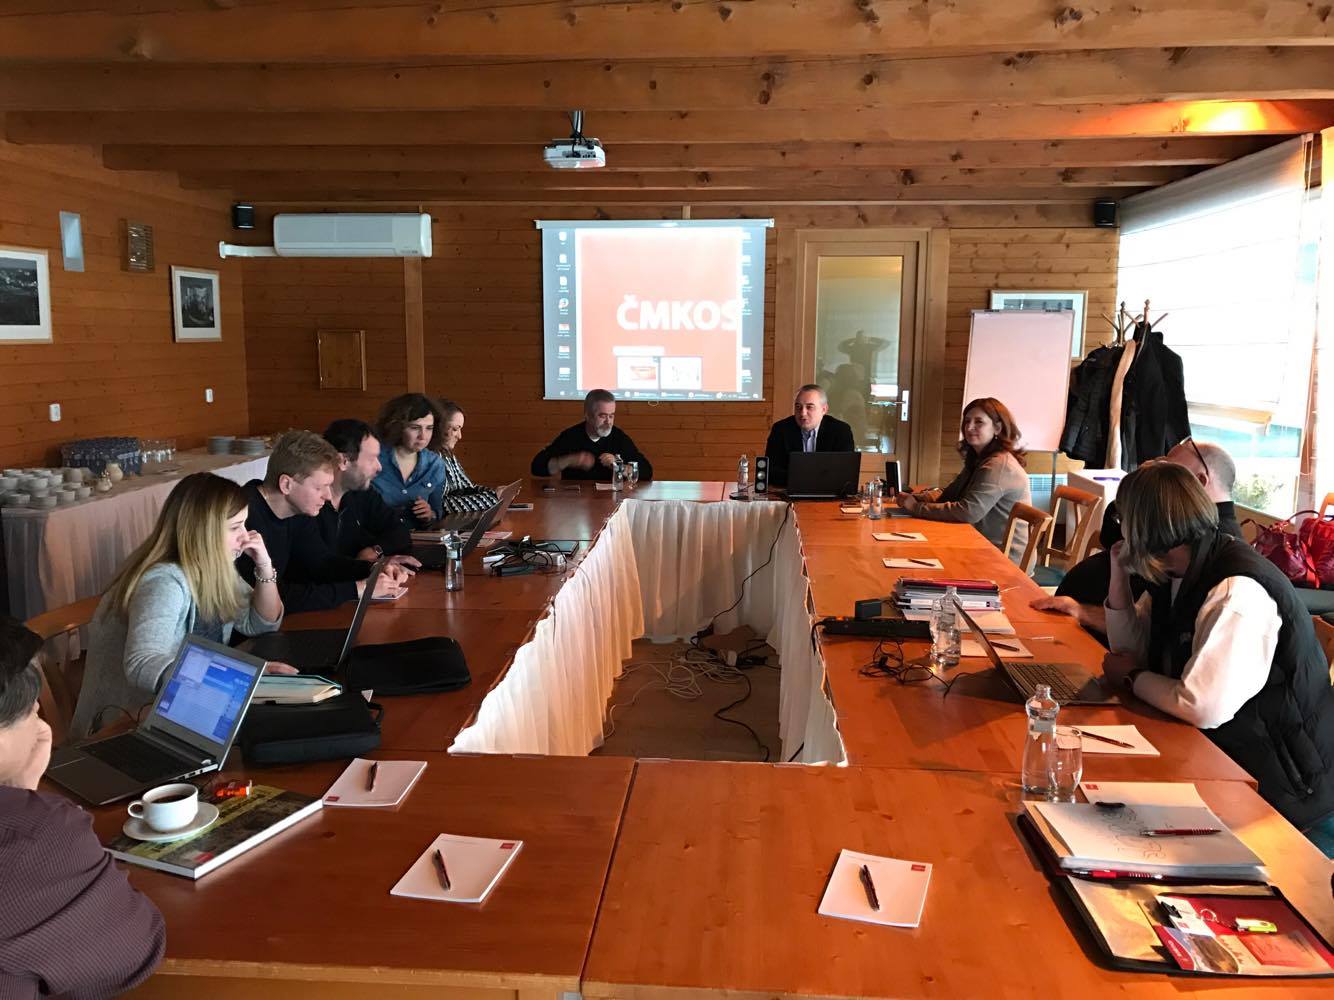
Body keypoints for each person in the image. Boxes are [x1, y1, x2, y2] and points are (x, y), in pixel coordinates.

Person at [1098, 462, 1334, 850]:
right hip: (1220, 753)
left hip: (1282, 789)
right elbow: (1130, 650)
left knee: (1121, 833)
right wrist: (1118, 575)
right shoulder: (1179, 569)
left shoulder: (1235, 591)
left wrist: (1133, 678)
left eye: (1123, 519)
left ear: (1144, 527)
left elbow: (1202, 706)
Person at [0, 617, 166, 996]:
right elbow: (135, 949)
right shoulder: (37, 837)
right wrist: (27, 803)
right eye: (29, 709)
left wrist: (18, 797)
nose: (39, 716)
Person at [69, 473, 295, 740]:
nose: (246, 537)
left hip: (177, 709)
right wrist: (230, 678)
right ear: (205, 531)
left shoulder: (214, 568)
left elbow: (260, 623)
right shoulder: (164, 581)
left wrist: (264, 566)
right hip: (121, 727)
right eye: (235, 527)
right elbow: (142, 663)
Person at [1032, 439, 1244, 634]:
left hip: (1102, 634)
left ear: (1199, 481)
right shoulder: (1173, 525)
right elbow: (1111, 533)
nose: (1158, 471)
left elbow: (1153, 630)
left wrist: (1082, 611)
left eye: (1169, 470)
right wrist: (1140, 488)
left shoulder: (1209, 544)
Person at [238, 430, 406, 615]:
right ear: (286, 484)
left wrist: (374, 569)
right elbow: (275, 598)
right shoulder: (242, 520)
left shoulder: (296, 509)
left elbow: (321, 563)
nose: (327, 496)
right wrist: (359, 588)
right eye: (320, 487)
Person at [896, 397, 1032, 560]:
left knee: (914, 554)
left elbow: (968, 512)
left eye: (979, 422)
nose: (969, 427)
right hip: (979, 545)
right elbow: (950, 494)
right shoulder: (981, 459)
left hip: (1003, 559)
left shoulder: (998, 465)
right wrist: (917, 498)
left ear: (997, 428)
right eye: (967, 421)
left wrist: (915, 507)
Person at [321, 419, 420, 569]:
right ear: (343, 461)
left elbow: (400, 533)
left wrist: (376, 551)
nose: (379, 467)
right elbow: (318, 567)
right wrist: (368, 567)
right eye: (372, 458)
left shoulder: (363, 493)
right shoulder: (310, 503)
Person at [530, 389, 654, 481]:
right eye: (602, 416)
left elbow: (647, 471)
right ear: (588, 415)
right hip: (576, 502)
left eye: (611, 416)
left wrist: (618, 466)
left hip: (610, 501)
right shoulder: (570, 436)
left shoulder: (619, 437)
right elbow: (537, 468)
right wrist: (569, 460)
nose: (608, 422)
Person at [372, 393, 447, 526]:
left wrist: (429, 514)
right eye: (415, 428)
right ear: (397, 427)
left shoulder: (435, 464)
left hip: (417, 536)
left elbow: (437, 512)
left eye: (429, 428)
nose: (423, 436)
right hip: (375, 535)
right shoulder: (373, 459)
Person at [763, 384, 855, 488]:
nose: (802, 413)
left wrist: (803, 477)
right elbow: (771, 471)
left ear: (824, 409)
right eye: (798, 407)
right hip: (790, 490)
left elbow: (845, 472)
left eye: (809, 407)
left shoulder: (840, 431)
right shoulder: (781, 429)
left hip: (828, 491)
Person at [434, 399, 499, 514]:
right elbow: (439, 504)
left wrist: (495, 493)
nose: (460, 436)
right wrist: (494, 498)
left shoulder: (448, 455)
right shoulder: (429, 459)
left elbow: (468, 488)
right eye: (455, 429)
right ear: (437, 426)